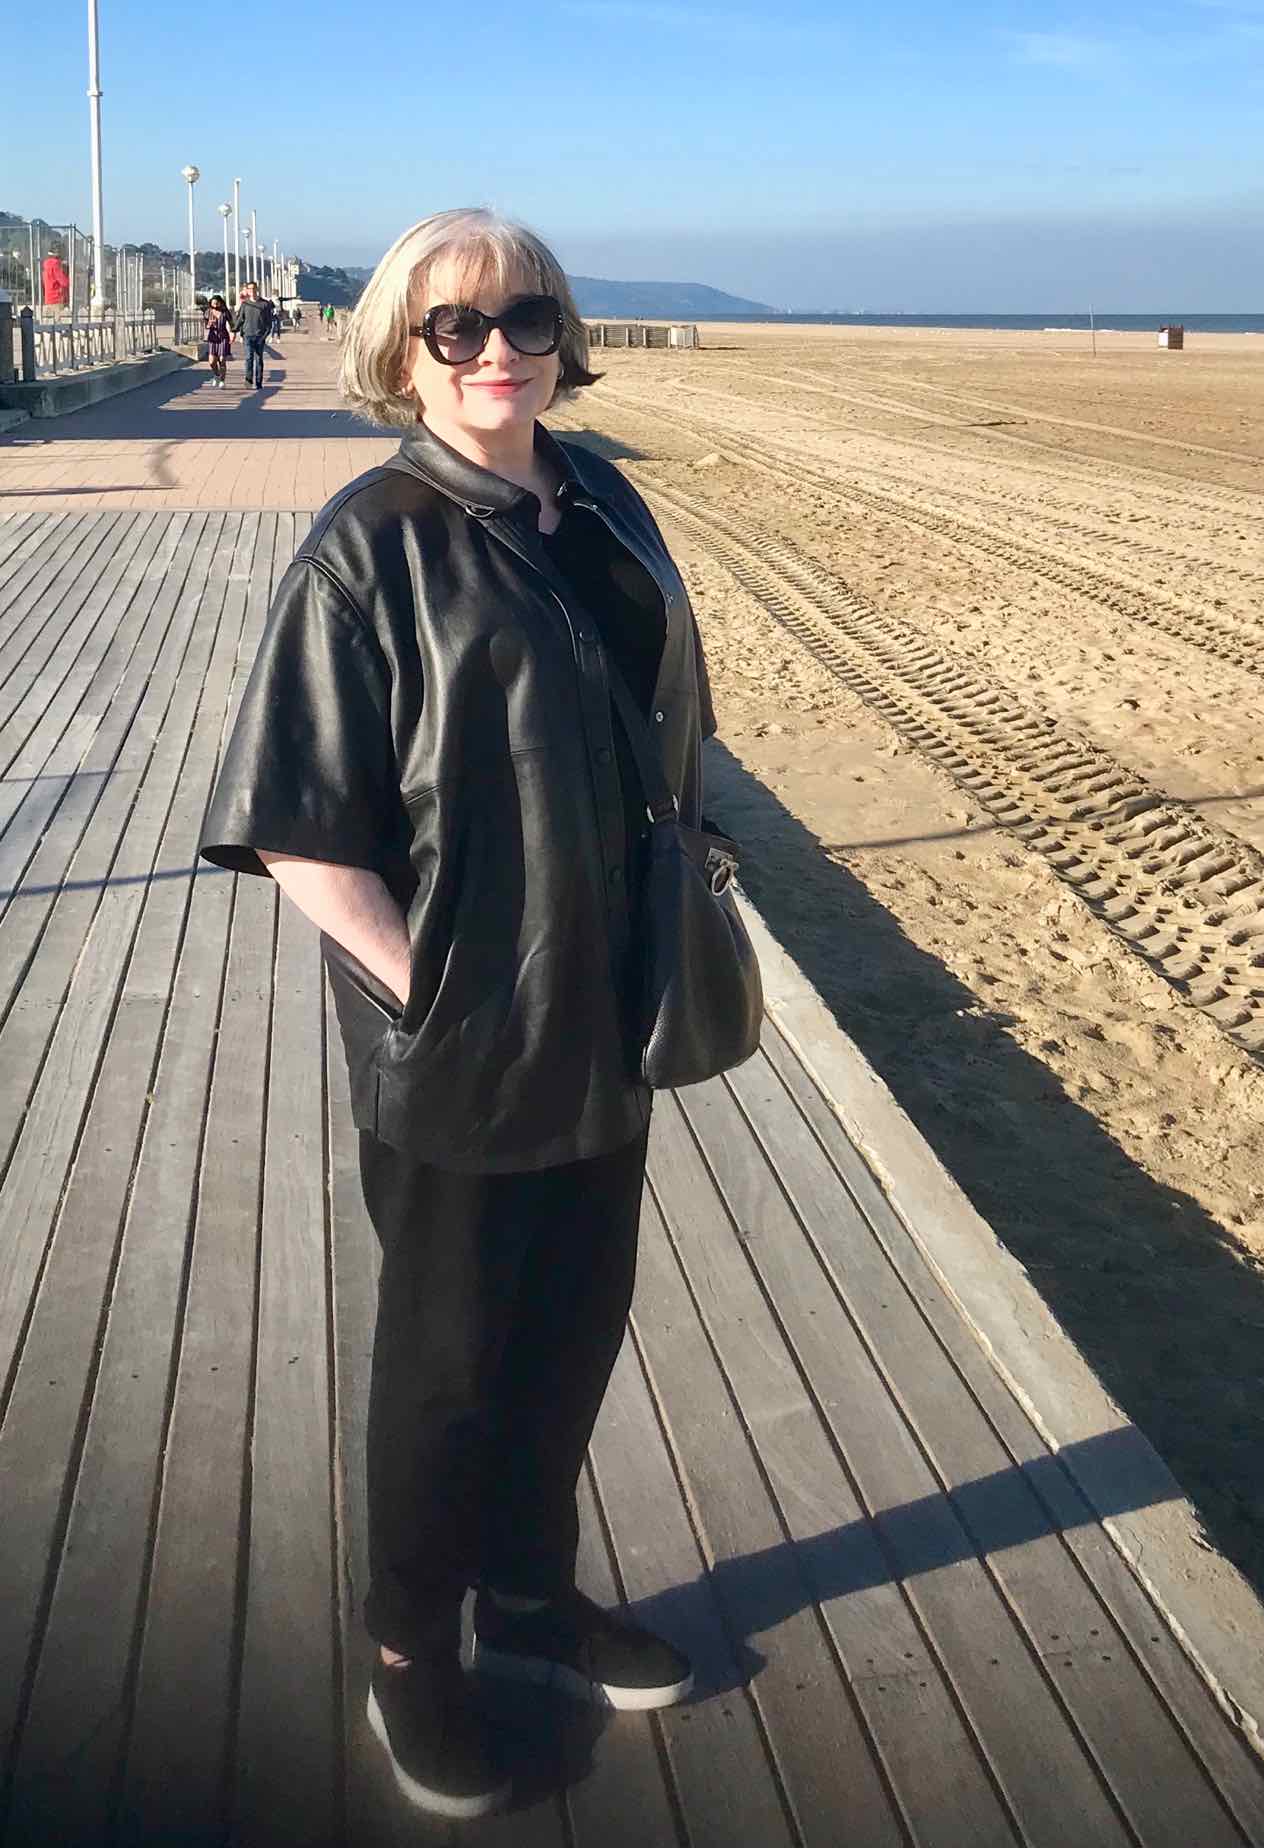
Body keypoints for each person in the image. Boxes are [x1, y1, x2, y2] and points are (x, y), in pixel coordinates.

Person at [200, 208, 716, 1820]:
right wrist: (446, 995)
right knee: (449, 1364)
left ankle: (530, 1596)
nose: (498, 346)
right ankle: (413, 1646)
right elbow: (297, 825)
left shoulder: (603, 503)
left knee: (571, 1331)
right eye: (457, 325)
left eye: (527, 315)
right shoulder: (373, 541)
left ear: (565, 332)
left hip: (612, 1022)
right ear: (402, 350)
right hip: (468, 1048)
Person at [235, 280, 276, 390]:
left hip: (259, 337)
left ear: (257, 289)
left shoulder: (265, 304)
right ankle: (248, 380)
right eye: (249, 289)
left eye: (254, 288)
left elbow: (269, 323)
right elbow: (240, 319)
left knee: (259, 360)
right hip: (247, 335)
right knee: (249, 358)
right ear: (247, 291)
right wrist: (234, 330)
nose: (252, 291)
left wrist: (264, 336)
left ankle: (258, 382)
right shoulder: (245, 304)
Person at [203, 294, 233, 387]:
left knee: (222, 359)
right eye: (213, 303)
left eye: (217, 302)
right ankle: (216, 374)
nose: (215, 304)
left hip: (223, 337)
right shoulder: (208, 312)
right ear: (211, 303)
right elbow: (206, 326)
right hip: (213, 337)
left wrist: (233, 334)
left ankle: (222, 381)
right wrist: (209, 324)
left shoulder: (225, 312)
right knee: (212, 361)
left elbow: (232, 324)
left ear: (220, 302)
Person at [41, 247, 69, 320]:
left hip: (48, 299)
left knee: (48, 326)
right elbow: (64, 282)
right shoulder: (55, 264)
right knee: (58, 325)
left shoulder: (45, 266)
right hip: (57, 299)